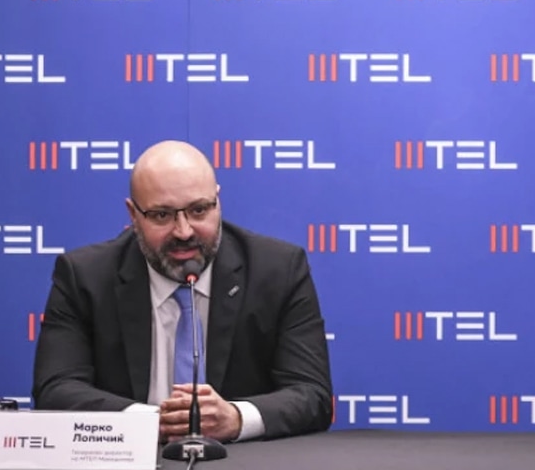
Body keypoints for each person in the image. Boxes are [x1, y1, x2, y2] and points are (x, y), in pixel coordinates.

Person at [32, 140, 333, 442]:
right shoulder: (85, 277)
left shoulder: (278, 271)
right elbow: (56, 389)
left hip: (243, 465)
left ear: (218, 202)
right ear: (133, 215)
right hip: (129, 465)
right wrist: (148, 423)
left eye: (198, 210)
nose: (184, 231)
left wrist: (236, 418)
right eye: (162, 215)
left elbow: (312, 394)